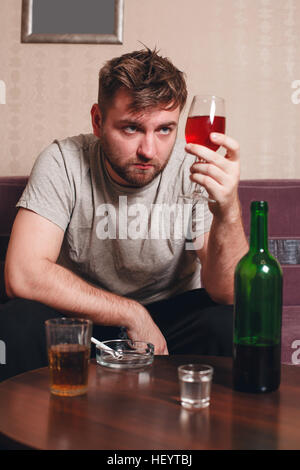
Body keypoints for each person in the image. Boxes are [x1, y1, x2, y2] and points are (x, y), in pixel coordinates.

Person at [0, 48, 248, 381]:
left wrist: (228, 211)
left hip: (168, 325)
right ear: (98, 121)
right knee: (16, 322)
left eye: (164, 130)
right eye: (131, 128)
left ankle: (206, 430)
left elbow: (229, 292)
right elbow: (23, 274)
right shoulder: (63, 160)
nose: (149, 150)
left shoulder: (194, 169)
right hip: (84, 321)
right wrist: (131, 313)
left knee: (233, 322)